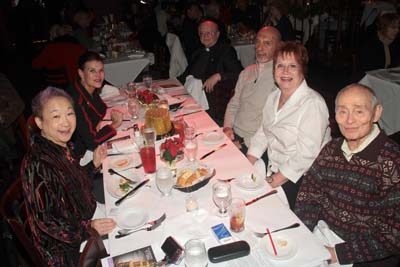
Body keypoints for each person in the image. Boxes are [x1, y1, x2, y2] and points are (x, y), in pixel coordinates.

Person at [295, 84, 400, 266]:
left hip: (363, 253)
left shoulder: (392, 163)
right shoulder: (331, 149)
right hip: (324, 233)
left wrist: (338, 253)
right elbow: (309, 194)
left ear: (376, 113)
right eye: (342, 112)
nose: (349, 120)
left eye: (359, 112)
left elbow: (394, 234)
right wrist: (303, 233)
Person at [21, 87, 116, 266]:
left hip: (86, 217)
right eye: (56, 116)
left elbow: (74, 183)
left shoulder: (59, 146)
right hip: (67, 249)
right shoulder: (38, 163)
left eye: (69, 114)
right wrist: (89, 228)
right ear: (40, 122)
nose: (65, 122)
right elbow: (47, 222)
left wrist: (93, 164)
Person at [246, 42, 331, 210]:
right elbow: (263, 132)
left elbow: (305, 156)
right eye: (280, 66)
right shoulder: (273, 97)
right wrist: (247, 163)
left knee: (258, 209)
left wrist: (271, 182)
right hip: (272, 166)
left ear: (302, 69)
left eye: (292, 66)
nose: (285, 72)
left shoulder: (312, 104)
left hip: (299, 179)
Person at [223, 26, 281, 153]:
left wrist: (245, 142)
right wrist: (227, 127)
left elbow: (273, 124)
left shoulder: (280, 78)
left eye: (267, 43)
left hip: (255, 143)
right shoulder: (246, 72)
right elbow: (234, 104)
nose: (260, 48)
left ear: (278, 47)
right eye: (257, 42)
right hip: (233, 134)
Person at [178, 19, 242, 121]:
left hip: (209, 99)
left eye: (209, 33)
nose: (205, 36)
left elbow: (240, 74)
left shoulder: (226, 51)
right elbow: (185, 75)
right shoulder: (197, 52)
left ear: (217, 34)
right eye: (202, 33)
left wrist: (219, 75)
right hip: (189, 93)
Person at [67, 51, 123, 157]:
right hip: (80, 154)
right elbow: (92, 142)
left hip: (92, 141)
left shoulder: (88, 87)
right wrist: (114, 124)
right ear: (81, 73)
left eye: (101, 70)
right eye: (92, 71)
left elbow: (101, 109)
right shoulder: (76, 100)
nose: (98, 75)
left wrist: (97, 125)